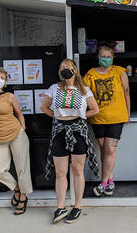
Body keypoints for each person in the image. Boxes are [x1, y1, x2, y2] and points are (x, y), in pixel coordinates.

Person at [41, 58, 99, 224]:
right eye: (62, 67)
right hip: (59, 132)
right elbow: (44, 107)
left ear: (75, 70)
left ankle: (78, 206)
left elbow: (95, 109)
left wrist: (80, 117)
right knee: (60, 172)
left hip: (79, 131)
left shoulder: (84, 89)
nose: (64, 68)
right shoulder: (54, 88)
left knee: (77, 169)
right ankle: (60, 207)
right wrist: (59, 119)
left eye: (68, 66)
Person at [0, 67, 33, 215]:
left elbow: (20, 114)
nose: (0, 79)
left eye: (3, 78)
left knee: (22, 168)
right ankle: (17, 189)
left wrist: (22, 128)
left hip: (17, 135)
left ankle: (23, 197)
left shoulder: (10, 96)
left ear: (5, 82)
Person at [84, 45, 130, 197]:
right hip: (98, 117)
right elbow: (84, 94)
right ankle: (110, 181)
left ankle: (103, 183)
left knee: (110, 149)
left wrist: (127, 113)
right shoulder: (91, 74)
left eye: (107, 56)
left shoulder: (120, 71)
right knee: (104, 150)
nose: (105, 59)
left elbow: (126, 93)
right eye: (102, 56)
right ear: (98, 57)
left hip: (116, 117)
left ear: (112, 57)